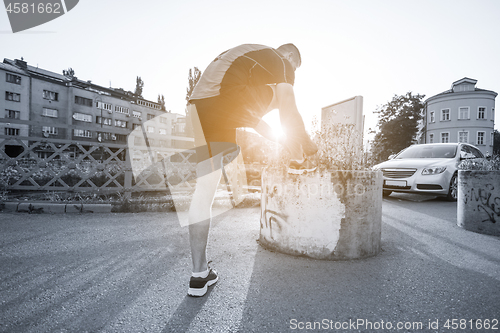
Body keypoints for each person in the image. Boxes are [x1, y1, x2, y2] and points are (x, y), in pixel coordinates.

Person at [186, 43, 318, 297]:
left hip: (199, 106)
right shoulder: (280, 61)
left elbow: (254, 120)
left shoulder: (250, 64)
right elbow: (287, 104)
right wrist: (304, 147)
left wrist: (285, 143)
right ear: (289, 56)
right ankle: (299, 157)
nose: (293, 73)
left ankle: (199, 275)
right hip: (223, 99)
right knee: (284, 97)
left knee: (204, 190)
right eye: (295, 67)